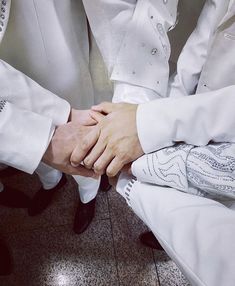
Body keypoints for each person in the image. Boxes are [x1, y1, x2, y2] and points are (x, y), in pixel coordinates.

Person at [71, 0, 235, 285]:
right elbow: (210, 28)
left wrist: (135, 168)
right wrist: (155, 117)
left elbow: (220, 260)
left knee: (191, 221)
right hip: (194, 105)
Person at [0, 0, 110, 235]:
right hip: (4, 50)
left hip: (52, 28)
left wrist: (64, 114)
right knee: (28, 123)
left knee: (77, 129)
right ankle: (51, 181)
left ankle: (87, 196)